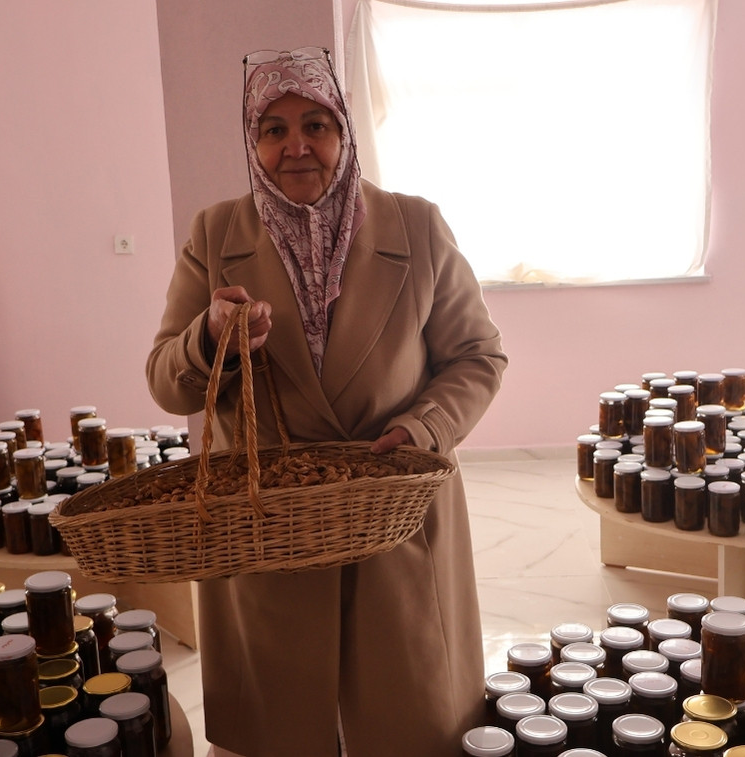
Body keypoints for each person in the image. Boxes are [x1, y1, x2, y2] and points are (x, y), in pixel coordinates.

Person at [146, 47, 507, 757]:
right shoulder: (215, 236)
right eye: (272, 130)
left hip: (394, 507)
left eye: (316, 123)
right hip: (270, 518)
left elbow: (478, 354)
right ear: (252, 144)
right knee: (284, 723)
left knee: (405, 717)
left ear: (345, 132)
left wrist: (424, 425)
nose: (296, 146)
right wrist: (209, 337)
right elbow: (164, 379)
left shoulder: (418, 226)